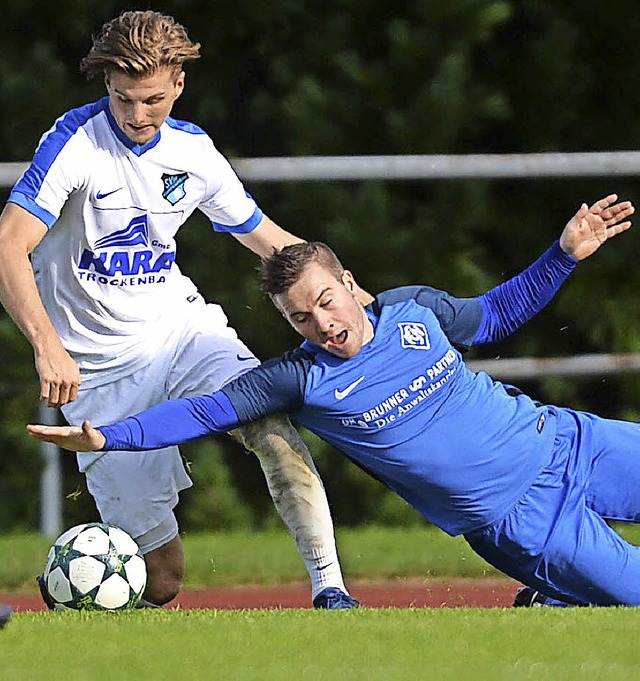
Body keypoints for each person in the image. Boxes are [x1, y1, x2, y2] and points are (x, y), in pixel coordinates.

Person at [28, 194, 640, 608]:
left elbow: (496, 314)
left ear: (348, 283)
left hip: (571, 442)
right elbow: (199, 411)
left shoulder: (413, 310)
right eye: (300, 317)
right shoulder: (296, 378)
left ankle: (563, 594)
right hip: (520, 520)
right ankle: (561, 592)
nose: (321, 323)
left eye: (326, 300)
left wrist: (561, 256)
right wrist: (109, 437)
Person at [0, 10, 359, 609]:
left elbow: (266, 237)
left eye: (152, 101)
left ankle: (331, 589)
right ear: (107, 86)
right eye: (123, 99)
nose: (137, 117)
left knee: (268, 424)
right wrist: (47, 343)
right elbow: (10, 243)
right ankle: (67, 589)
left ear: (179, 86)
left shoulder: (193, 151)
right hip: (101, 372)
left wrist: (348, 289)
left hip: (182, 330)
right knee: (161, 581)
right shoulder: (74, 144)